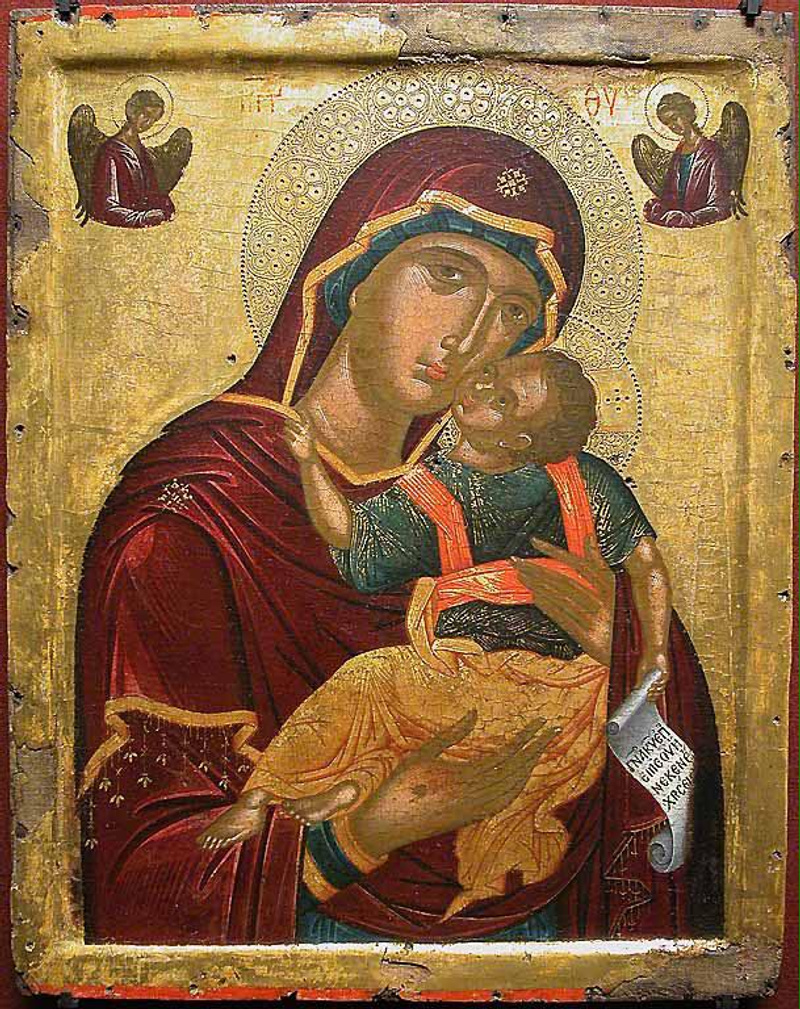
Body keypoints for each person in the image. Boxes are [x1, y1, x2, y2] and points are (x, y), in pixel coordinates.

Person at [77, 128, 723, 944]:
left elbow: (669, 780)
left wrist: (616, 642)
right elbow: (136, 864)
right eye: (447, 275)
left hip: (534, 920)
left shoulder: (531, 502)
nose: (469, 336)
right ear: (351, 270)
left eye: (512, 312)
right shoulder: (194, 509)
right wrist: (366, 830)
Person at [197, 351, 675, 922]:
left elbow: (646, 563)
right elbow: (352, 538)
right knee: (368, 679)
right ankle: (268, 796)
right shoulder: (430, 491)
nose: (481, 388)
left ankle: (347, 790)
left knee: (453, 735)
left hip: (558, 685)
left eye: (503, 401)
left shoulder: (585, 483)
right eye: (492, 374)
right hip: (459, 668)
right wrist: (309, 465)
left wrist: (654, 650)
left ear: (521, 441)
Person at [644, 92, 732, 229]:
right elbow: (671, 197)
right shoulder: (678, 154)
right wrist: (659, 206)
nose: (672, 126)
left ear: (687, 113)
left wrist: (691, 218)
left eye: (674, 118)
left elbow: (720, 206)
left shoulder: (712, 151)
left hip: (705, 228)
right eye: (667, 123)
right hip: (678, 227)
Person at [91, 89, 175, 228]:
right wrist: (141, 218)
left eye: (154, 120)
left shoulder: (145, 154)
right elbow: (107, 207)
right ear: (132, 110)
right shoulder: (110, 151)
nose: (148, 122)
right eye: (146, 115)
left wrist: (164, 206)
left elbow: (153, 193)